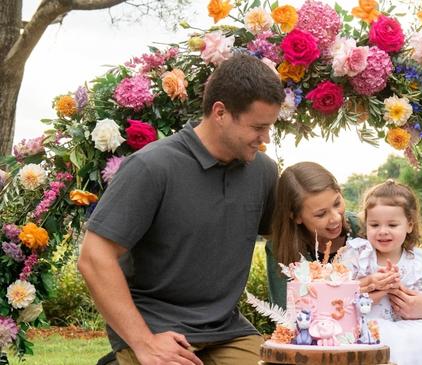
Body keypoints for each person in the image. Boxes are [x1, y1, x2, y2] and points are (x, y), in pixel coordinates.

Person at [78, 53, 285, 365]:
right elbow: (94, 257)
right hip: (154, 328)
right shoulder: (151, 167)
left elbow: (286, 239)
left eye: (269, 127)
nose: (265, 138)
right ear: (220, 113)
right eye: (258, 127)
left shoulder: (263, 171)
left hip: (227, 330)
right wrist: (144, 343)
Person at [267, 162, 422, 321]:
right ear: (296, 216)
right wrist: (351, 290)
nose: (335, 218)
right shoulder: (282, 247)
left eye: (337, 203)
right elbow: (287, 313)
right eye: (321, 214)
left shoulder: (365, 228)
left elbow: (411, 271)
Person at [340, 179, 422, 365]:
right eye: (374, 225)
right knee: (387, 337)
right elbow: (340, 295)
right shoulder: (359, 254)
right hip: (369, 324)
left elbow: (417, 301)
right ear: (366, 225)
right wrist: (372, 288)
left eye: (392, 225)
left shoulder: (415, 261)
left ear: (409, 225)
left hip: (405, 324)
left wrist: (398, 289)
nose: (383, 231)